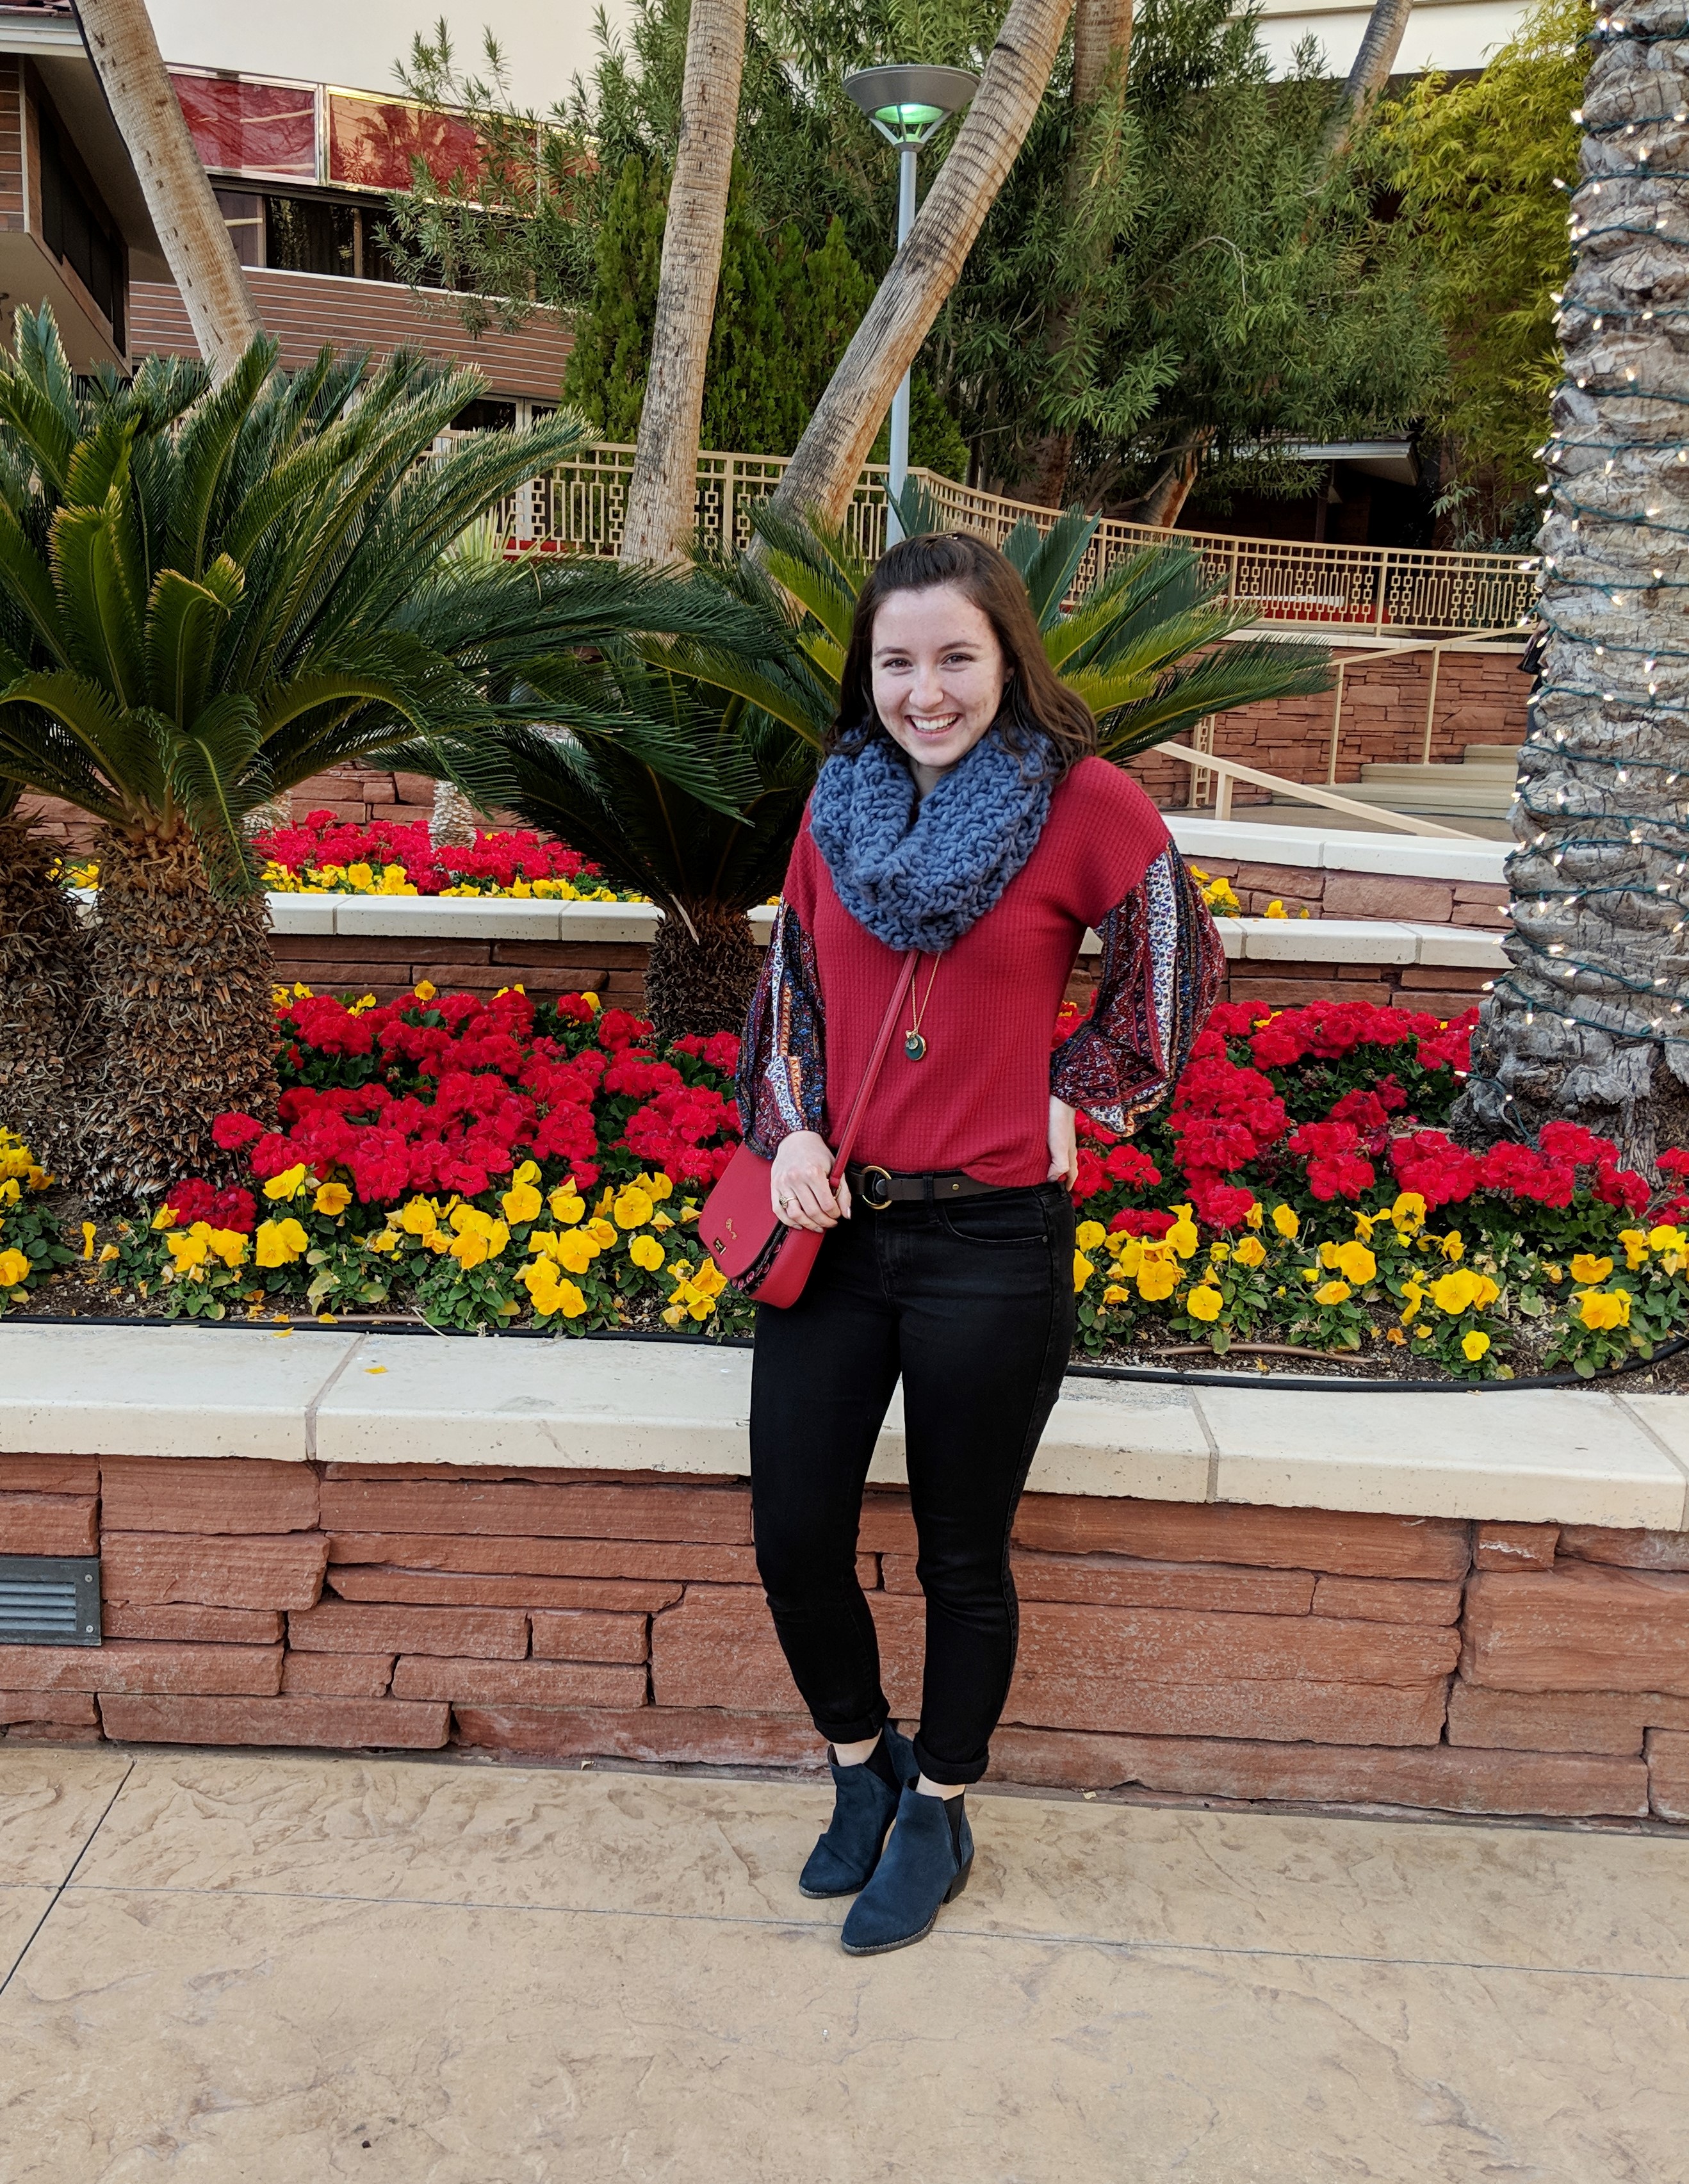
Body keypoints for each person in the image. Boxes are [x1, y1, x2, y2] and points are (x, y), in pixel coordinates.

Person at [736, 531, 1225, 1955]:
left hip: (992, 1242)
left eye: (955, 656)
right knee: (794, 1538)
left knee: (962, 1554)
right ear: (866, 673)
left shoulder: (1084, 803)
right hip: (837, 1234)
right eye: (897, 661)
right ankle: (860, 1766)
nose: (925, 690)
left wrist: (1082, 1091)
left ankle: (938, 1806)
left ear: (1007, 657)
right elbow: (788, 996)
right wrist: (791, 1132)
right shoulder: (836, 804)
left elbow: (1177, 966)